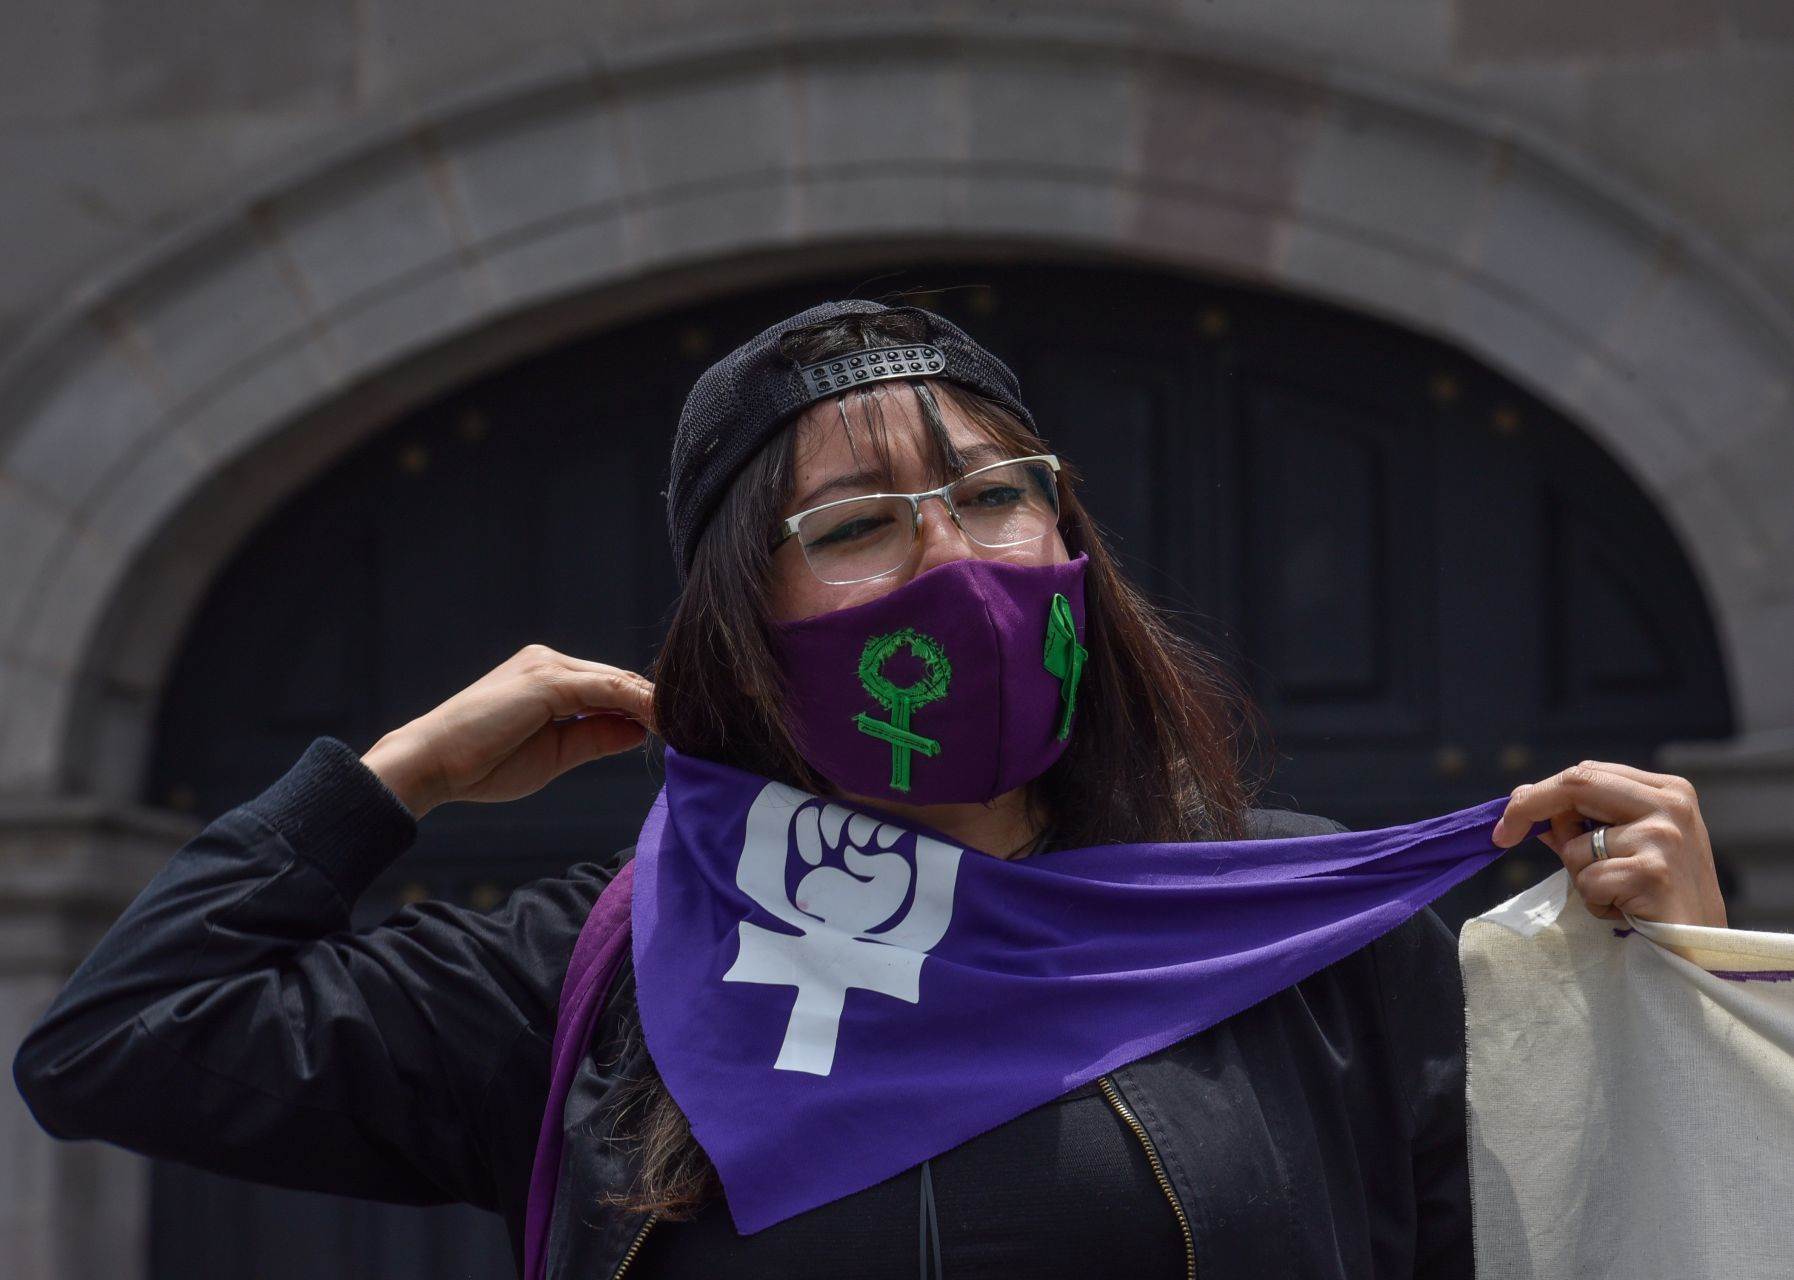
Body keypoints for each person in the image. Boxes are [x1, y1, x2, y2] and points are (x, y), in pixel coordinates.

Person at [13, 299, 1729, 1280]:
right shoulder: (603, 972)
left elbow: (1598, 1243)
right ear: (744, 635)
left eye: (995, 496)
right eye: (851, 528)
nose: (950, 559)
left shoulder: (1295, 929)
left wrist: (1697, 987)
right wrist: (395, 777)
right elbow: (119, 1045)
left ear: (1071, 545)